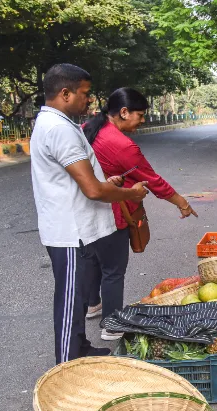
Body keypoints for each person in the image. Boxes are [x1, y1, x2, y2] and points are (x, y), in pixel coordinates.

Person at [30, 63, 149, 364]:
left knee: (79, 297)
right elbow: (93, 191)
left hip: (77, 229)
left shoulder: (61, 124)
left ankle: (80, 346)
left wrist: (106, 183)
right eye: (84, 94)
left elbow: (83, 180)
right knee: (70, 302)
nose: (89, 100)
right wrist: (130, 194)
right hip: (68, 232)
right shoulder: (58, 129)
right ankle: (67, 366)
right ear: (65, 93)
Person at [82, 87, 198, 339]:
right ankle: (112, 325)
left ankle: (92, 304)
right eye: (140, 115)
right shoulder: (121, 145)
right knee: (113, 269)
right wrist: (181, 202)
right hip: (112, 212)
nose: (143, 120)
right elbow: (152, 180)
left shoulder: (89, 129)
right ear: (123, 112)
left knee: (92, 258)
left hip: (86, 209)